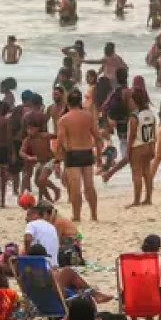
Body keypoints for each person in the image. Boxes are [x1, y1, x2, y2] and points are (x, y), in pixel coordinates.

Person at [56, 88, 100, 221]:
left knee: (75, 188)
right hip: (87, 152)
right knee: (89, 186)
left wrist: (58, 159)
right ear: (80, 101)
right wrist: (100, 158)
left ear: (67, 103)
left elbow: (60, 141)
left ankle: (77, 215)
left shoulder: (64, 119)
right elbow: (97, 137)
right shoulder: (88, 116)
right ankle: (93, 214)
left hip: (73, 154)